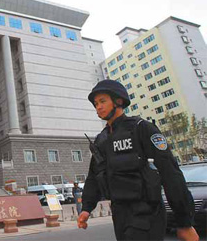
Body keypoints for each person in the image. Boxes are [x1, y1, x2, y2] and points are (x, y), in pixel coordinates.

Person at [77, 79, 199, 241]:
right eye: (95, 103)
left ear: (118, 101)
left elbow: (171, 174)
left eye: (102, 101)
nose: (98, 106)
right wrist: (86, 208)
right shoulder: (102, 140)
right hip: (120, 213)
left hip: (147, 211)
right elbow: (95, 175)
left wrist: (184, 222)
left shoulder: (142, 129)